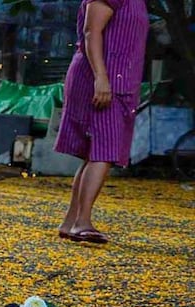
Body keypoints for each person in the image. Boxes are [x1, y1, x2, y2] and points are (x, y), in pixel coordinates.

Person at [54, 0, 148, 244]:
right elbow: (90, 31)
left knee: (97, 152)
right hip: (102, 80)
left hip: (119, 80)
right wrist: (101, 78)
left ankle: (71, 221)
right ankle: (82, 222)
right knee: (104, 151)